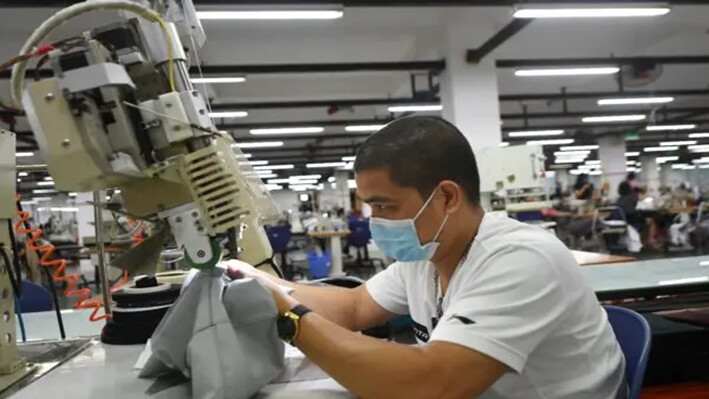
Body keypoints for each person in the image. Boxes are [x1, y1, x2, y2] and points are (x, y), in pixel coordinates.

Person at [224, 116, 626, 399]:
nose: (375, 221)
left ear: (447, 196)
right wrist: (264, 285)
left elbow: (430, 385)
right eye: (370, 207)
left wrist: (291, 319)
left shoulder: (519, 259)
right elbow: (356, 306)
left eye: (385, 206)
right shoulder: (429, 254)